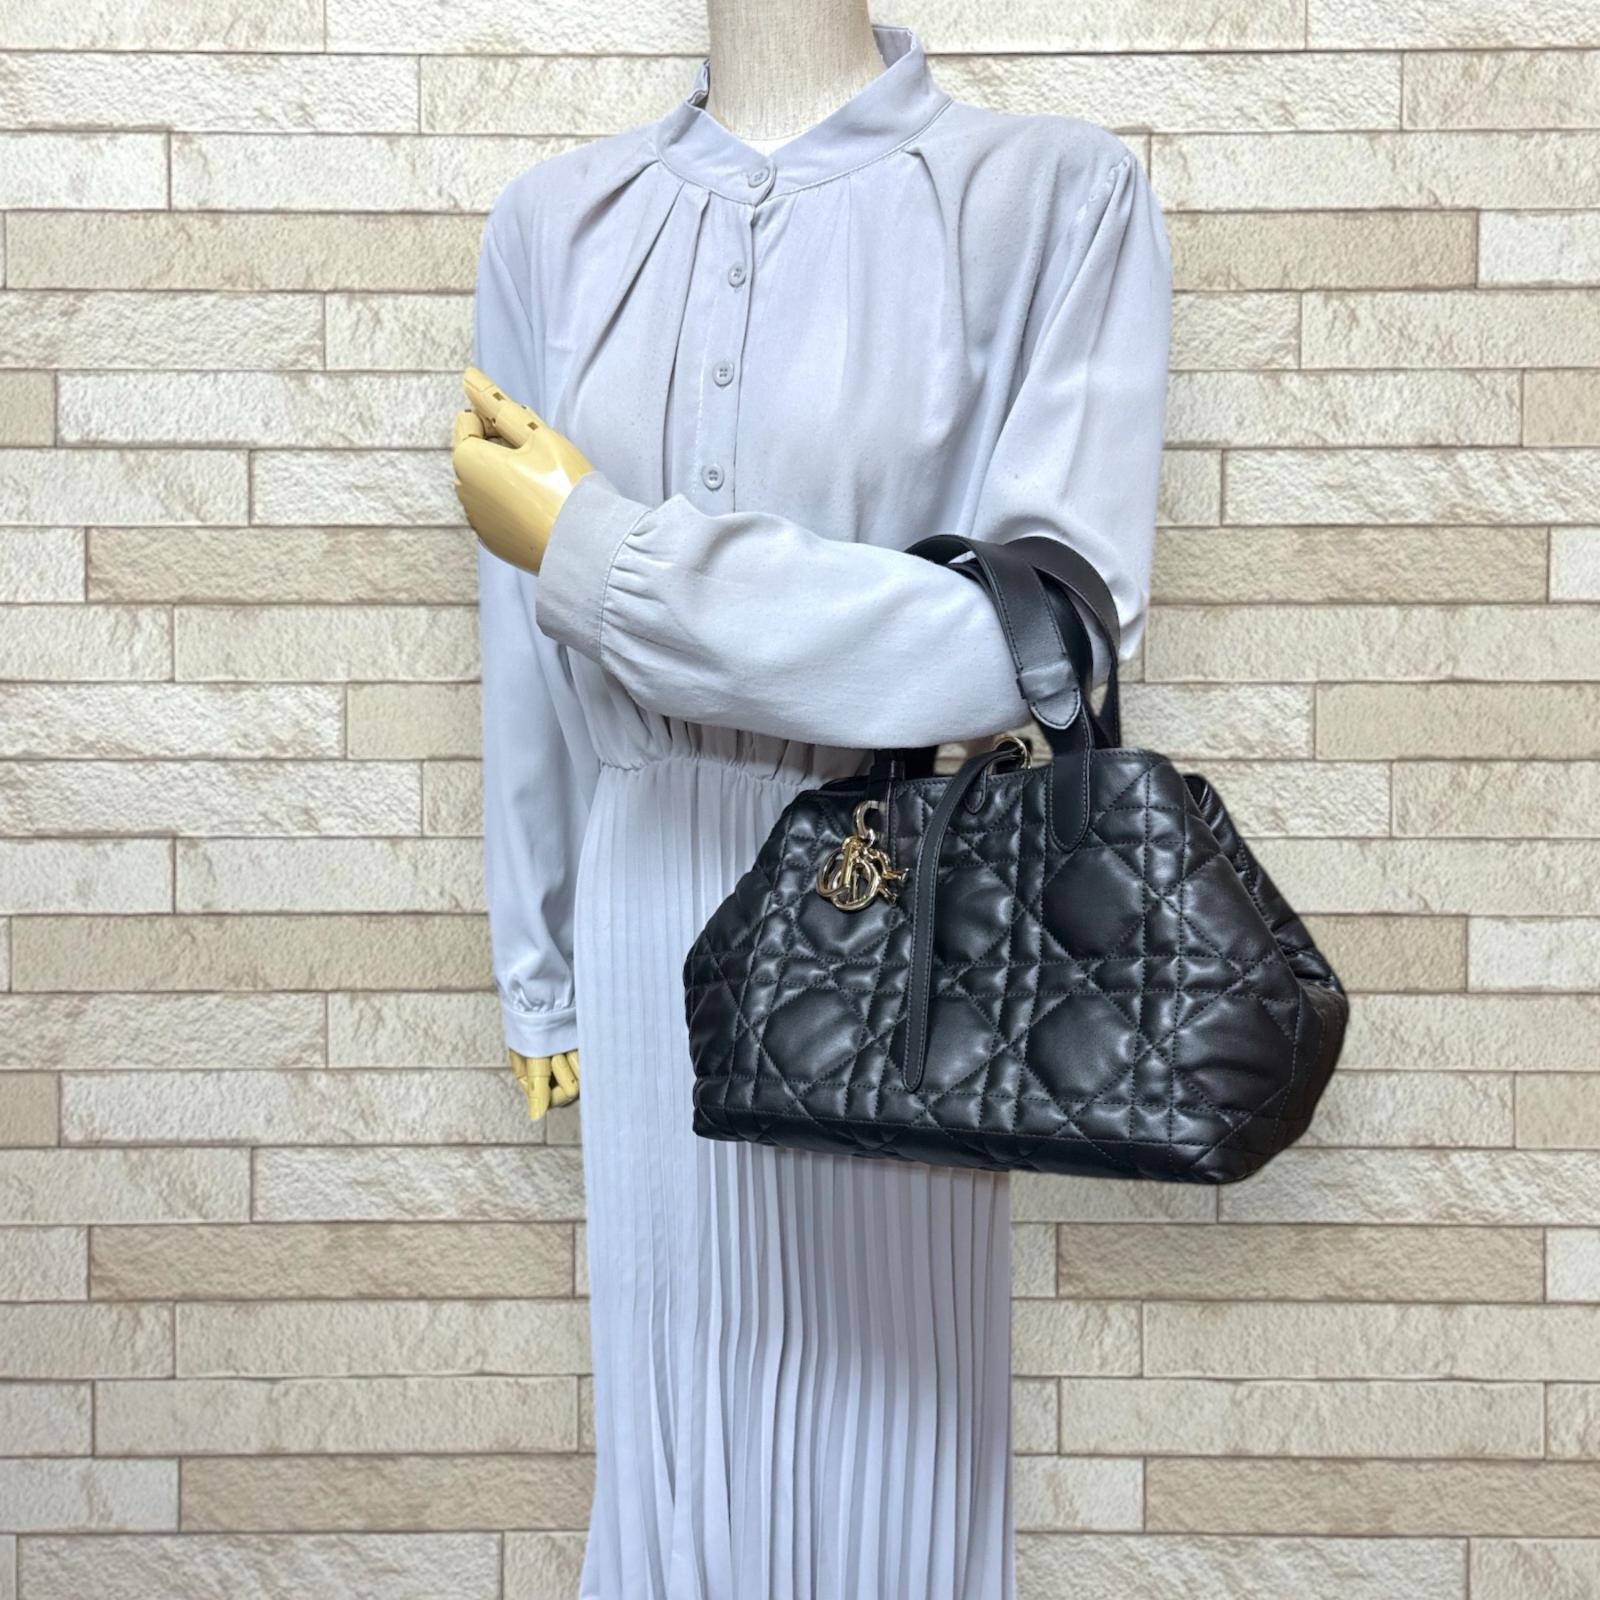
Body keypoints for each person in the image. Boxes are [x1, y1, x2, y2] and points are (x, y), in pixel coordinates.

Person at [454, 19, 1171, 1598]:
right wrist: (541, 964)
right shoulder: (554, 226)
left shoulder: (1052, 196)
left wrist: (608, 558)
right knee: (673, 1444)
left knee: (889, 1443)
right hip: (647, 893)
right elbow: (519, 637)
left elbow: (1025, 640)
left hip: (895, 898)